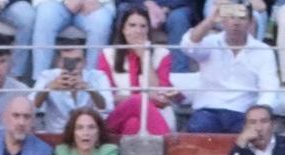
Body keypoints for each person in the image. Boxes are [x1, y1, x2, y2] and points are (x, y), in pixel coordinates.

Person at [180, 1, 280, 133]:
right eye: (231, 17)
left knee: (255, 134)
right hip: (209, 110)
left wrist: (259, 116)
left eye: (242, 18)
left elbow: (269, 88)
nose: (236, 22)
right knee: (198, 130)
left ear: (251, 22)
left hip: (244, 112)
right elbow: (188, 46)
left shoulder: (263, 50)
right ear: (223, 21)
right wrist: (210, 20)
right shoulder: (211, 42)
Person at [98, 5, 178, 136]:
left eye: (143, 26)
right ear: (123, 29)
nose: (138, 31)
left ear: (148, 30)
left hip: (150, 117)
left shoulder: (162, 54)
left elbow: (160, 95)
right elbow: (108, 98)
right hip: (115, 118)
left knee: (133, 123)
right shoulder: (107, 55)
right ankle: (171, 145)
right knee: (138, 102)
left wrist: (144, 57)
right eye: (132, 25)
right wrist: (142, 99)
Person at [32, 25, 113, 131]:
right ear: (59, 62)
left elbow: (107, 108)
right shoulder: (47, 76)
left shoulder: (98, 77)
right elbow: (31, 107)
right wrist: (48, 89)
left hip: (88, 135)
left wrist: (90, 90)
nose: (73, 65)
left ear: (85, 62)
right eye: (67, 60)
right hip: (57, 135)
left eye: (77, 60)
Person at [31, 0, 117, 75]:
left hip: (94, 3)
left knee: (101, 23)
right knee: (46, 17)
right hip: (55, 3)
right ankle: (40, 82)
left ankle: (93, 81)